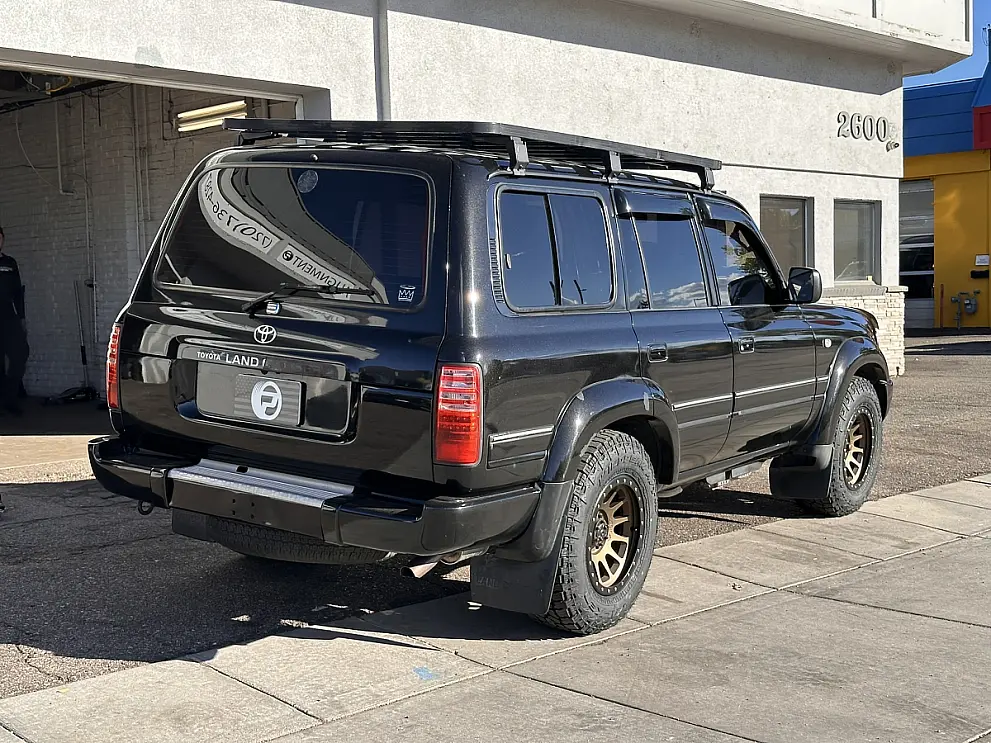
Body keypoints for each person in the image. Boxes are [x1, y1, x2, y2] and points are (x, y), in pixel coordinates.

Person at [0, 227, 28, 416]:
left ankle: (9, 398)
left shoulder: (10, 262)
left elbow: (18, 292)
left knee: (20, 354)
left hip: (8, 315)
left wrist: (22, 318)